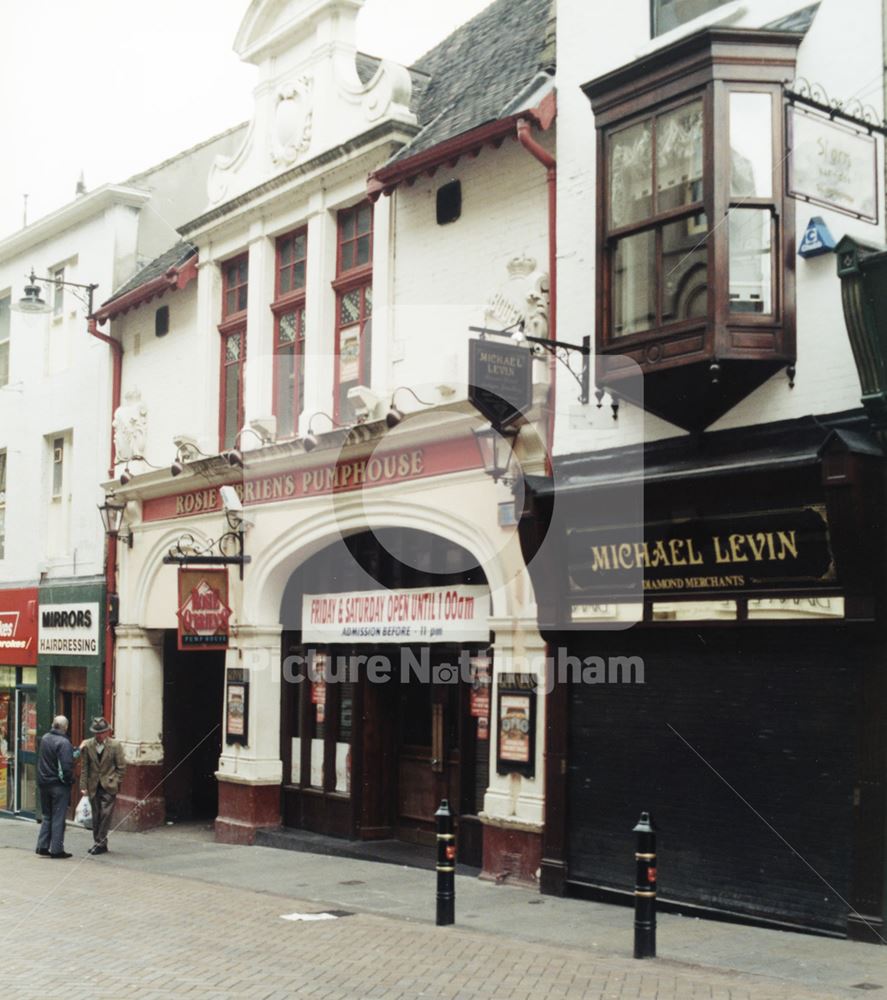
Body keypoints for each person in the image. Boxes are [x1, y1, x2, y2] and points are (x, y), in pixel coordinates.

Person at [80, 717, 126, 855]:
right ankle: (99, 843)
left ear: (107, 732)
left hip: (109, 785)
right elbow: (85, 767)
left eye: (101, 732)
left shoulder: (115, 745)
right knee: (96, 815)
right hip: (93, 785)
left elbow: (122, 767)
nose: (98, 735)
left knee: (105, 814)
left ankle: (99, 842)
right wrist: (83, 785)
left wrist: (116, 780)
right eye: (96, 733)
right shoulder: (87, 745)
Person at [35, 715, 75, 859]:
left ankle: (42, 846)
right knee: (58, 817)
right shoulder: (64, 743)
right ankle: (57, 849)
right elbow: (66, 766)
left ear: (53, 724)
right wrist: (70, 780)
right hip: (58, 785)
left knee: (47, 816)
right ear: (65, 727)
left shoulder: (45, 738)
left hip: (44, 782)